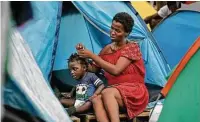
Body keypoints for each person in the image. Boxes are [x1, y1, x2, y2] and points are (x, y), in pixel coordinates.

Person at [76, 12, 149, 122]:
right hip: (115, 93)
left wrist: (92, 55)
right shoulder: (107, 50)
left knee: (107, 92)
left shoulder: (132, 47)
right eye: (112, 28)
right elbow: (93, 69)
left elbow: (116, 70)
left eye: (118, 31)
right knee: (96, 99)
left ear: (126, 33)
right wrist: (84, 56)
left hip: (134, 92)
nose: (113, 33)